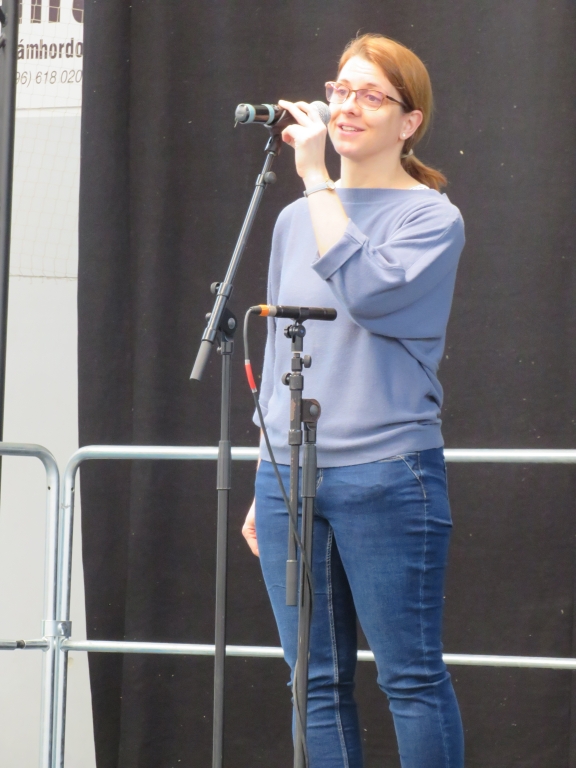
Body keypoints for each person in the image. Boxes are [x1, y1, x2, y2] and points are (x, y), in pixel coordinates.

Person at [242, 33, 465, 768]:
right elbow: (281, 348)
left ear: (409, 122)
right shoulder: (290, 221)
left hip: (387, 473)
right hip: (290, 474)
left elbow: (367, 293)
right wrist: (265, 470)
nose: (347, 106)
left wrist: (316, 179)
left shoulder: (430, 218)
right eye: (341, 90)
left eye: (372, 95)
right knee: (312, 681)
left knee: (410, 678)